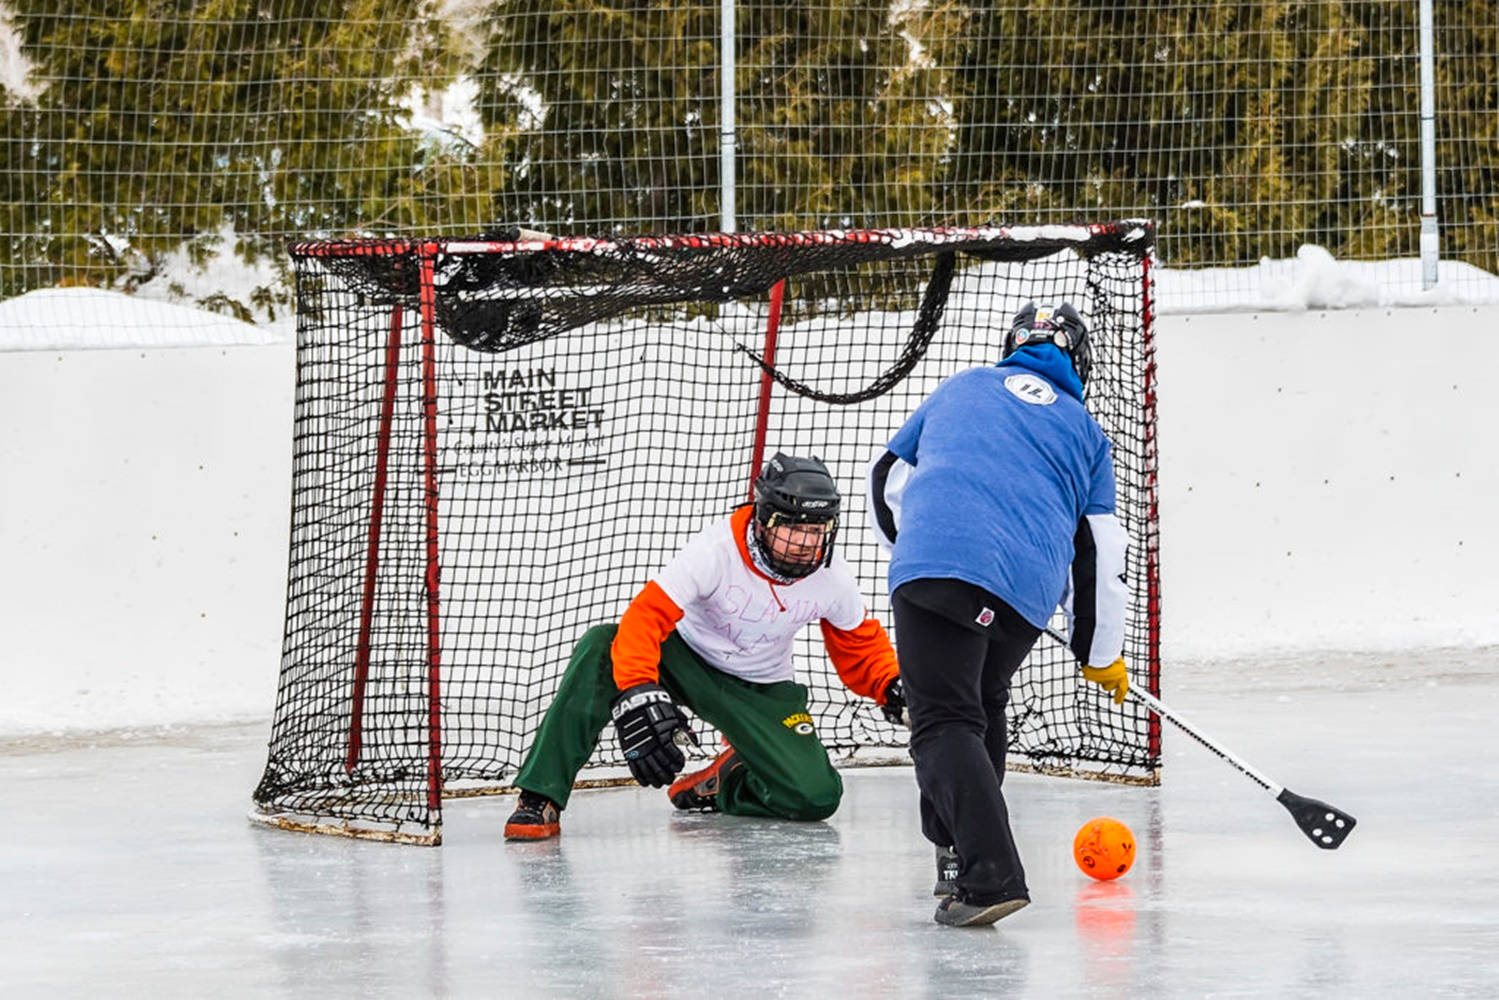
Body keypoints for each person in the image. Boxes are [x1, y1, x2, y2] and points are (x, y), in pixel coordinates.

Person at [866, 301, 1131, 927]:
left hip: (935, 572)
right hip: (1021, 600)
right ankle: (956, 855)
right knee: (981, 704)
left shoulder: (964, 386)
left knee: (942, 721)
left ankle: (991, 878)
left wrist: (915, 548)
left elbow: (885, 480)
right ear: (1080, 361)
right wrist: (1098, 651)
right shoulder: (1086, 432)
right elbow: (1098, 548)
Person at [504, 452, 905, 840]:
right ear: (765, 521)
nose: (805, 542)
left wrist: (891, 686)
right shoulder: (715, 550)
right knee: (602, 645)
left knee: (816, 797)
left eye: (817, 529)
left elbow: (859, 643)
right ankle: (540, 795)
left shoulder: (832, 575)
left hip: (762, 689)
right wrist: (639, 690)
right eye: (794, 528)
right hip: (686, 662)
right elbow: (646, 617)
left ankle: (727, 778)